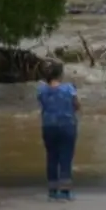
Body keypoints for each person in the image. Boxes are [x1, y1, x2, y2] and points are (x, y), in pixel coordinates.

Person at [36, 62, 80, 201]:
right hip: (67, 125)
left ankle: (52, 190)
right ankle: (65, 192)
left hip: (48, 126)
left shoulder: (41, 90)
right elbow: (77, 105)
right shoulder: (69, 88)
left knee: (51, 157)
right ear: (60, 74)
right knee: (66, 157)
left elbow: (43, 103)